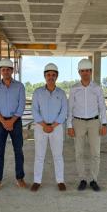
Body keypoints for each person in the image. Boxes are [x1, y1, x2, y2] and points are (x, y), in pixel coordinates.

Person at [67, 58, 107, 192]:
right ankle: (83, 179)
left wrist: (104, 123)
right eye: (82, 71)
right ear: (79, 72)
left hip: (94, 123)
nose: (85, 73)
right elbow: (70, 108)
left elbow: (102, 106)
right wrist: (69, 126)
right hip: (78, 122)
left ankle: (94, 180)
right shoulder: (74, 89)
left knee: (95, 153)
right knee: (79, 152)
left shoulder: (97, 88)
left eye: (87, 71)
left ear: (91, 72)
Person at [0, 58, 26, 189]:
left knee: (18, 151)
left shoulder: (20, 86)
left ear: (12, 71)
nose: (5, 72)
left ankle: (20, 178)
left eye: (8, 69)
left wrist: (11, 121)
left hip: (15, 121)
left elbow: (21, 106)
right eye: (3, 69)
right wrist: (3, 121)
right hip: (0, 122)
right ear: (0, 71)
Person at [31, 63, 68, 192]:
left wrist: (53, 125)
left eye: (53, 75)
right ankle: (37, 181)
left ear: (57, 76)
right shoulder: (38, 92)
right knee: (39, 156)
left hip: (56, 128)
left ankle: (60, 181)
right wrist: (43, 125)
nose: (50, 77)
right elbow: (34, 111)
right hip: (40, 128)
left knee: (58, 156)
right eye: (48, 75)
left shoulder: (61, 93)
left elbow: (64, 112)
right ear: (44, 76)